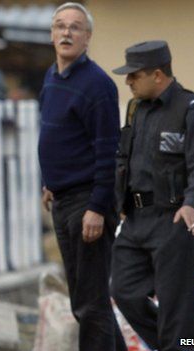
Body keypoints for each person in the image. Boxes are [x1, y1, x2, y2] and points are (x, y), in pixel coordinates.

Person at [110, 40, 194, 351]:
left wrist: (192, 204)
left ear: (157, 75)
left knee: (175, 308)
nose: (128, 81)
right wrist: (117, 202)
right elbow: (123, 159)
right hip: (136, 220)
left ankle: (181, 344)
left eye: (134, 75)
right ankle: (187, 346)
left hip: (174, 220)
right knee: (124, 290)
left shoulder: (192, 110)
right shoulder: (136, 109)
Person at [37, 3, 126, 350]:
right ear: (51, 34)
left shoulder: (98, 85)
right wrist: (50, 181)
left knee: (90, 304)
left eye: (75, 28)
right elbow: (57, 136)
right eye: (60, 26)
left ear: (87, 38)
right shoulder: (51, 77)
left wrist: (97, 206)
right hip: (62, 198)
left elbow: (108, 152)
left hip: (87, 201)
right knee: (84, 301)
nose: (67, 33)